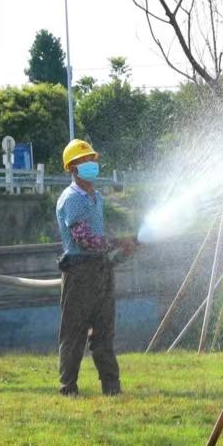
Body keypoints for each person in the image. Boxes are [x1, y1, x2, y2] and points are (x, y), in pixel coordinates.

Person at [56, 139, 135, 396]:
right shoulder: (72, 198)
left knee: (104, 330)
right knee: (74, 332)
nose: (91, 164)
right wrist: (117, 242)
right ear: (72, 168)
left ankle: (111, 387)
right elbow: (85, 240)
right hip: (79, 271)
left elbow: (97, 235)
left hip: (100, 269)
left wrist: (121, 247)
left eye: (92, 159)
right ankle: (68, 387)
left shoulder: (96, 197)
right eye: (83, 161)